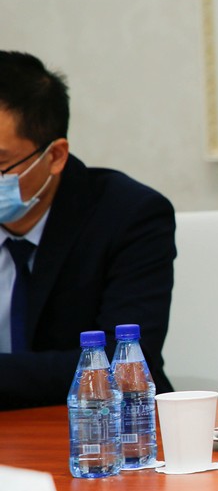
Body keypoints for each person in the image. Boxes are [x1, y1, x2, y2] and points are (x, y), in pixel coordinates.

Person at [0, 51, 176, 409]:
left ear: (55, 156)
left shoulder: (129, 215)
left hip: (101, 424)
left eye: (1, 162)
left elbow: (123, 361)